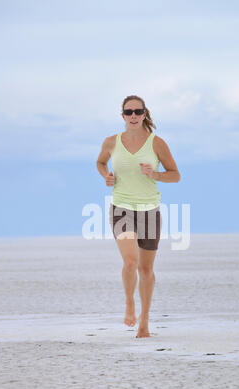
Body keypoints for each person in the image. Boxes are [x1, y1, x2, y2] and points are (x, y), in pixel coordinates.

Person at [96, 95, 180, 338]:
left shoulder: (157, 143)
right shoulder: (112, 142)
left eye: (137, 111)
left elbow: (175, 175)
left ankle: (144, 322)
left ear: (144, 114)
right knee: (130, 262)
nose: (133, 116)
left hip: (150, 211)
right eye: (128, 112)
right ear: (122, 116)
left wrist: (155, 174)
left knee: (146, 270)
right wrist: (106, 176)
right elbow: (101, 163)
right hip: (121, 208)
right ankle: (129, 304)